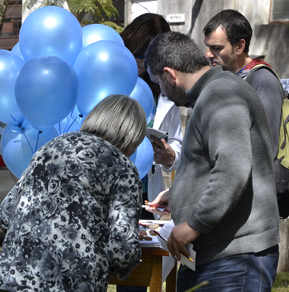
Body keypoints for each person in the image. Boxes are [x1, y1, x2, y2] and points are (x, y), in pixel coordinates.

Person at [144, 31, 280, 292]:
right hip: (217, 254)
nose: (161, 91)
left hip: (235, 257)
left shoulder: (221, 94)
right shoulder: (211, 94)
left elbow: (233, 169)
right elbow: (214, 164)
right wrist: (179, 193)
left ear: (171, 75)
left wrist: (195, 224)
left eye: (158, 83)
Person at [0, 95, 147, 292]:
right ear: (132, 138)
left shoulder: (51, 147)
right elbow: (122, 250)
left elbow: (5, 214)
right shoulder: (123, 167)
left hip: (12, 278)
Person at [118, 13, 184, 292]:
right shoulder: (114, 77)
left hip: (146, 195)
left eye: (150, 58)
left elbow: (179, 141)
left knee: (139, 270)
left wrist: (171, 157)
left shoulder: (165, 88)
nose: (144, 65)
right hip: (113, 185)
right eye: (140, 57)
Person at [202, 9, 283, 171]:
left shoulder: (263, 80)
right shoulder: (223, 78)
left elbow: (266, 147)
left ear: (239, 46)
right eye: (207, 47)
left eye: (216, 48)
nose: (208, 54)